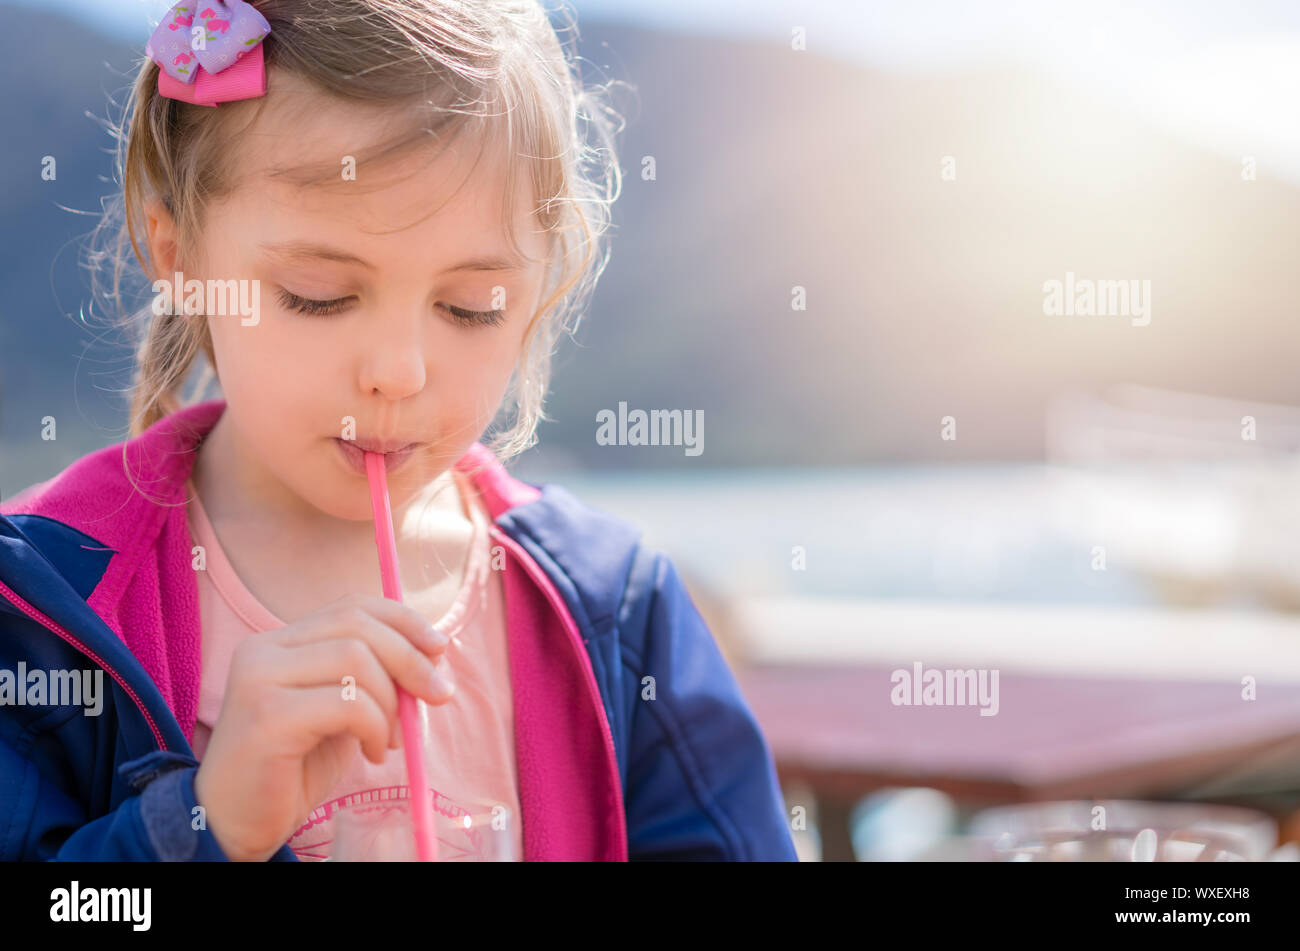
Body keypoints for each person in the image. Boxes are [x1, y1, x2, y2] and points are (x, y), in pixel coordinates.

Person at [0, 0, 796, 861]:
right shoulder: (45, 600)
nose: (399, 371)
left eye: (471, 307)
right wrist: (201, 822)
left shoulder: (614, 613)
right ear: (179, 257)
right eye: (318, 293)